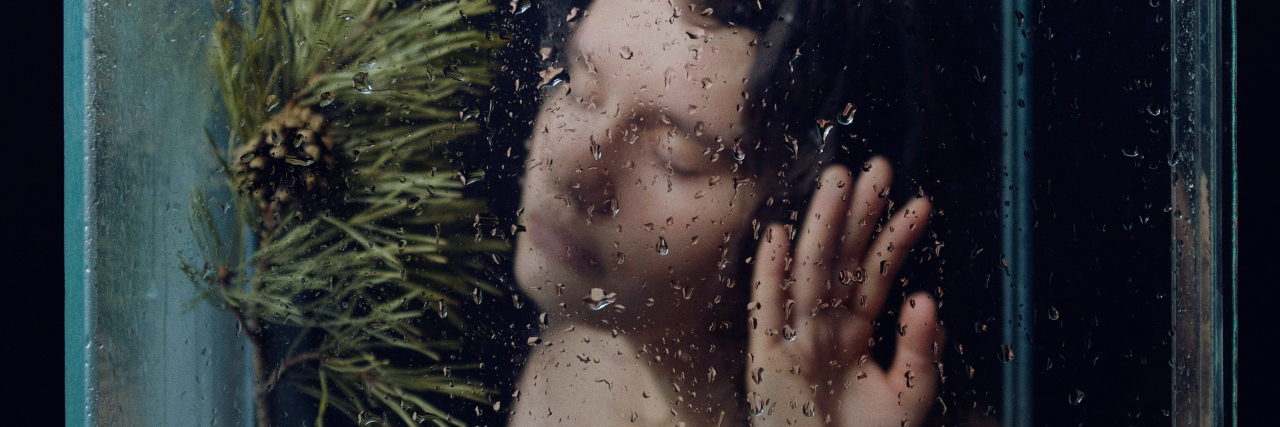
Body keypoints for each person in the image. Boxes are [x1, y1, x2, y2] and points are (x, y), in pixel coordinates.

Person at [507, 0, 944, 425]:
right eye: (580, 90)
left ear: (802, 215)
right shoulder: (575, 361)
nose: (569, 167)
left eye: (673, 158)